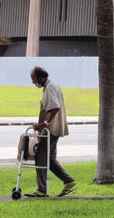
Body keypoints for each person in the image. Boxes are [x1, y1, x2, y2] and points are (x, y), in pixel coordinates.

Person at [24, 66, 77, 197]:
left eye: (34, 79)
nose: (33, 82)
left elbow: (55, 108)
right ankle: (68, 181)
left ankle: (41, 189)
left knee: (40, 156)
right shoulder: (52, 86)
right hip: (53, 128)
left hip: (51, 129)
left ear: (41, 78)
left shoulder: (50, 88)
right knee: (50, 159)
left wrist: (44, 124)